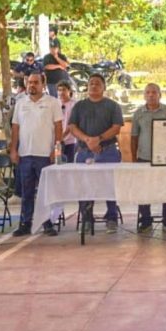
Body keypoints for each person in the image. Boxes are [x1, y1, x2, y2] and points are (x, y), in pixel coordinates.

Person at [68, 73, 124, 232]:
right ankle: (87, 218)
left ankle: (111, 217)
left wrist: (98, 139)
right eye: (91, 83)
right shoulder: (79, 106)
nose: (94, 86)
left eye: (98, 83)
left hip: (108, 152)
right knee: (84, 185)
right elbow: (72, 127)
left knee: (110, 184)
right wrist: (88, 140)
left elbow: (116, 127)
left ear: (104, 87)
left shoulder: (112, 106)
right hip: (85, 152)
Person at [11, 72, 63, 236]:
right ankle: (26, 223)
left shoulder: (53, 102)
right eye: (29, 82)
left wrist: (57, 150)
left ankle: (47, 223)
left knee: (45, 192)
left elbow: (58, 128)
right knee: (26, 192)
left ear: (43, 84)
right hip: (25, 154)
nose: (32, 85)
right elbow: (15, 128)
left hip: (45, 155)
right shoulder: (20, 103)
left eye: (35, 82)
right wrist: (13, 149)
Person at [131, 83, 166, 233]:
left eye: (154, 92)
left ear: (160, 95)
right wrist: (134, 158)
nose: (151, 95)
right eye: (147, 93)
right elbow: (134, 137)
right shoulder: (138, 113)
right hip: (144, 157)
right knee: (144, 190)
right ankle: (145, 220)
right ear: (144, 95)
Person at [56, 81, 78, 163]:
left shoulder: (74, 104)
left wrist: (63, 135)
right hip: (57, 142)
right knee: (58, 162)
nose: (61, 92)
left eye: (64, 90)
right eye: (59, 90)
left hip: (71, 141)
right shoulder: (55, 104)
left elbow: (73, 123)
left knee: (69, 163)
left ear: (69, 91)